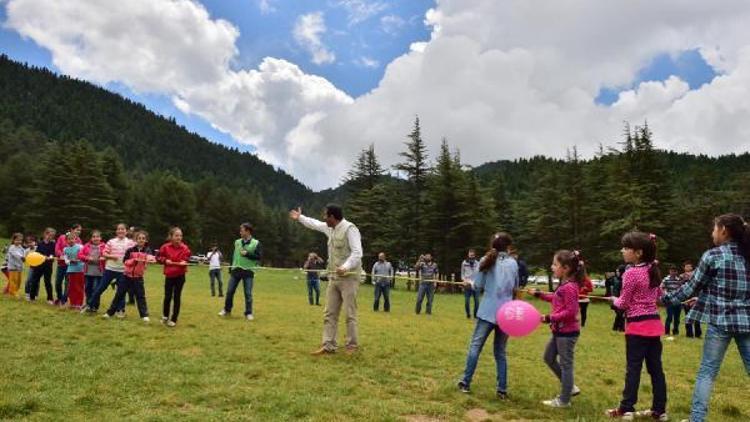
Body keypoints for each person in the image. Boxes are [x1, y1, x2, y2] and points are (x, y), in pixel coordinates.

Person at [661, 214, 750, 422]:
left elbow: (689, 288)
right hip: (747, 322)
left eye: (714, 228)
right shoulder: (748, 256)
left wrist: (665, 299)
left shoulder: (713, 256)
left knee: (707, 372)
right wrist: (704, 298)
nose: (712, 233)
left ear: (724, 230)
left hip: (720, 323)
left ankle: (697, 419)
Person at [606, 232, 668, 421]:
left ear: (638, 252)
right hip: (654, 325)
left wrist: (613, 300)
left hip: (637, 327)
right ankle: (659, 410)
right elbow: (659, 297)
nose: (622, 251)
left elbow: (623, 303)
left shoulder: (631, 272)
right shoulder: (653, 269)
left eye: (626, 248)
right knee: (656, 369)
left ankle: (626, 409)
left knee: (633, 368)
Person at [290, 204, 363, 355]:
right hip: (334, 277)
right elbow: (315, 224)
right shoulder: (329, 228)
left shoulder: (350, 229)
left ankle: (352, 346)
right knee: (329, 312)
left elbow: (357, 253)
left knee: (350, 313)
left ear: (332, 217)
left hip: (349, 278)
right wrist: (300, 218)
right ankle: (328, 345)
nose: (324, 218)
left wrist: (346, 267)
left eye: (325, 216)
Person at [457, 233, 518, 399]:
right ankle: (502, 390)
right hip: (506, 313)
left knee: (475, 347)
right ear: (508, 246)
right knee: (500, 352)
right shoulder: (513, 263)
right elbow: (515, 287)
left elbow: (478, 286)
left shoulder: (486, 260)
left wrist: (469, 283)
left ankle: (465, 382)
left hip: (487, 311)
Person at [533, 250, 584, 408]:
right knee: (548, 357)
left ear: (566, 268)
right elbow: (556, 299)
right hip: (559, 331)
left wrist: (549, 317)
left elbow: (571, 312)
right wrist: (540, 295)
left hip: (567, 333)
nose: (552, 267)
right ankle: (570, 387)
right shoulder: (564, 285)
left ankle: (564, 400)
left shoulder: (569, 287)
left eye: (555, 264)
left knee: (566, 365)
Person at [83, 223, 134, 314]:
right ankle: (90, 305)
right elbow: (104, 253)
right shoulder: (111, 241)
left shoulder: (131, 243)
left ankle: (120, 310)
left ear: (126, 231)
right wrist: (111, 257)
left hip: (123, 271)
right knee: (100, 288)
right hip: (110, 269)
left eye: (122, 229)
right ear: (116, 231)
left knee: (121, 291)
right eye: (119, 229)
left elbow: (134, 254)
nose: (120, 231)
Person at [103, 231, 154, 322]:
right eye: (139, 238)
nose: (141, 240)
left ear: (145, 240)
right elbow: (125, 261)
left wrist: (150, 259)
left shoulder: (147, 250)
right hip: (126, 276)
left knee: (140, 296)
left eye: (143, 238)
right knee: (119, 295)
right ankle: (109, 313)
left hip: (138, 277)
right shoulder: (130, 250)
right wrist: (133, 261)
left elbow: (151, 258)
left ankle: (144, 315)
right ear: (136, 240)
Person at [219, 223, 262, 320]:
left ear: (248, 231)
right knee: (230, 291)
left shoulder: (256, 243)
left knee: (248, 293)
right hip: (236, 270)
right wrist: (231, 268)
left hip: (248, 271)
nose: (240, 232)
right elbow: (234, 255)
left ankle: (248, 313)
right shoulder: (237, 242)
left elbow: (258, 257)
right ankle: (227, 310)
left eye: (242, 230)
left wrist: (247, 254)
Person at [158, 227, 191, 327]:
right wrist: (165, 260)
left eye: (180, 235)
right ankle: (165, 316)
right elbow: (158, 257)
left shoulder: (185, 248)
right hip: (169, 275)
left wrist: (184, 261)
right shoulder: (165, 247)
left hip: (180, 276)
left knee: (177, 297)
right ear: (171, 236)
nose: (179, 237)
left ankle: (174, 319)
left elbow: (187, 258)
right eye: (176, 235)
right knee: (167, 296)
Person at [54, 223, 82, 305]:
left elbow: (80, 252)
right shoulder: (62, 237)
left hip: (72, 266)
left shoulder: (79, 240)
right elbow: (57, 248)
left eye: (80, 230)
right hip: (61, 264)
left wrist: (76, 259)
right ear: (72, 229)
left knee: (68, 284)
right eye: (77, 230)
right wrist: (61, 255)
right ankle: (59, 298)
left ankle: (64, 300)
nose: (79, 232)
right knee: (58, 283)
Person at [28, 228, 56, 304]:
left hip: (48, 266)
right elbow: (36, 254)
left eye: (52, 236)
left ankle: (50, 299)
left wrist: (50, 256)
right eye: (49, 235)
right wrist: (43, 257)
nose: (50, 237)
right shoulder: (40, 244)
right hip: (39, 265)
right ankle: (32, 297)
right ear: (45, 234)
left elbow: (53, 254)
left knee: (47, 282)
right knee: (35, 281)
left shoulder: (53, 244)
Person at [79, 230, 106, 307]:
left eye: (97, 237)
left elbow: (108, 255)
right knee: (88, 289)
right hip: (88, 272)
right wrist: (87, 258)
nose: (95, 238)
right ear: (91, 238)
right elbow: (80, 255)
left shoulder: (104, 246)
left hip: (99, 272)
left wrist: (103, 258)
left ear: (100, 238)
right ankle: (88, 304)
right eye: (93, 237)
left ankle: (94, 306)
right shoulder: (87, 246)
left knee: (96, 289)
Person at [680, 261, 702, 339]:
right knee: (688, 317)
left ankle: (698, 334)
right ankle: (689, 334)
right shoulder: (681, 276)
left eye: (689, 266)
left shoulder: (696, 275)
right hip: (686, 299)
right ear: (684, 268)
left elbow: (699, 286)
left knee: (696, 317)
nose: (688, 267)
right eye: (686, 266)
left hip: (695, 299)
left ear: (692, 267)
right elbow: (681, 288)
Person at [63, 232, 85, 309]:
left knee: (79, 287)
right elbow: (66, 260)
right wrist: (70, 261)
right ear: (66, 240)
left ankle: (79, 304)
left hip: (80, 269)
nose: (71, 240)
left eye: (72, 239)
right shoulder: (65, 249)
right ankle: (73, 303)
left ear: (75, 239)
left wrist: (77, 260)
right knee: (71, 287)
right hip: (71, 270)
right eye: (69, 239)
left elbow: (83, 257)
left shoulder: (80, 247)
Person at [660, 265, 683, 339]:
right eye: (671, 271)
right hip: (669, 301)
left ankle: (675, 331)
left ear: (676, 272)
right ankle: (667, 332)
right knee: (669, 317)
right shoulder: (666, 279)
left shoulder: (679, 279)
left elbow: (682, 288)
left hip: (677, 301)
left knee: (677, 318)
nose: (673, 272)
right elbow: (662, 288)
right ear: (669, 271)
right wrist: (666, 294)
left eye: (674, 271)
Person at [461, 249, 480, 319]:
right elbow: (462, 274)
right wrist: (464, 280)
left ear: (474, 255)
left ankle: (475, 315)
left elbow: (480, 274)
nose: (471, 256)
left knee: (477, 301)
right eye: (470, 255)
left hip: (476, 285)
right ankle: (468, 314)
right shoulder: (464, 263)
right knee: (467, 301)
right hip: (467, 285)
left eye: (472, 255)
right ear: (468, 255)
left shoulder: (478, 263)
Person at [611, 265, 627, 332]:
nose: (617, 272)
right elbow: (612, 287)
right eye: (616, 271)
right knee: (619, 314)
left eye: (618, 271)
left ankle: (617, 328)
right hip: (615, 299)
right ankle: (620, 328)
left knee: (620, 314)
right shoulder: (615, 279)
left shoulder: (625, 279)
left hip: (621, 299)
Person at [22, 235, 37, 301]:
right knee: (29, 280)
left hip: (38, 267)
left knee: (37, 281)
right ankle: (27, 293)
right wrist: (23, 259)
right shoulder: (27, 250)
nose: (30, 244)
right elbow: (24, 259)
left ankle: (35, 294)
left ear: (35, 242)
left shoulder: (38, 248)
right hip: (31, 267)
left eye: (32, 242)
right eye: (29, 242)